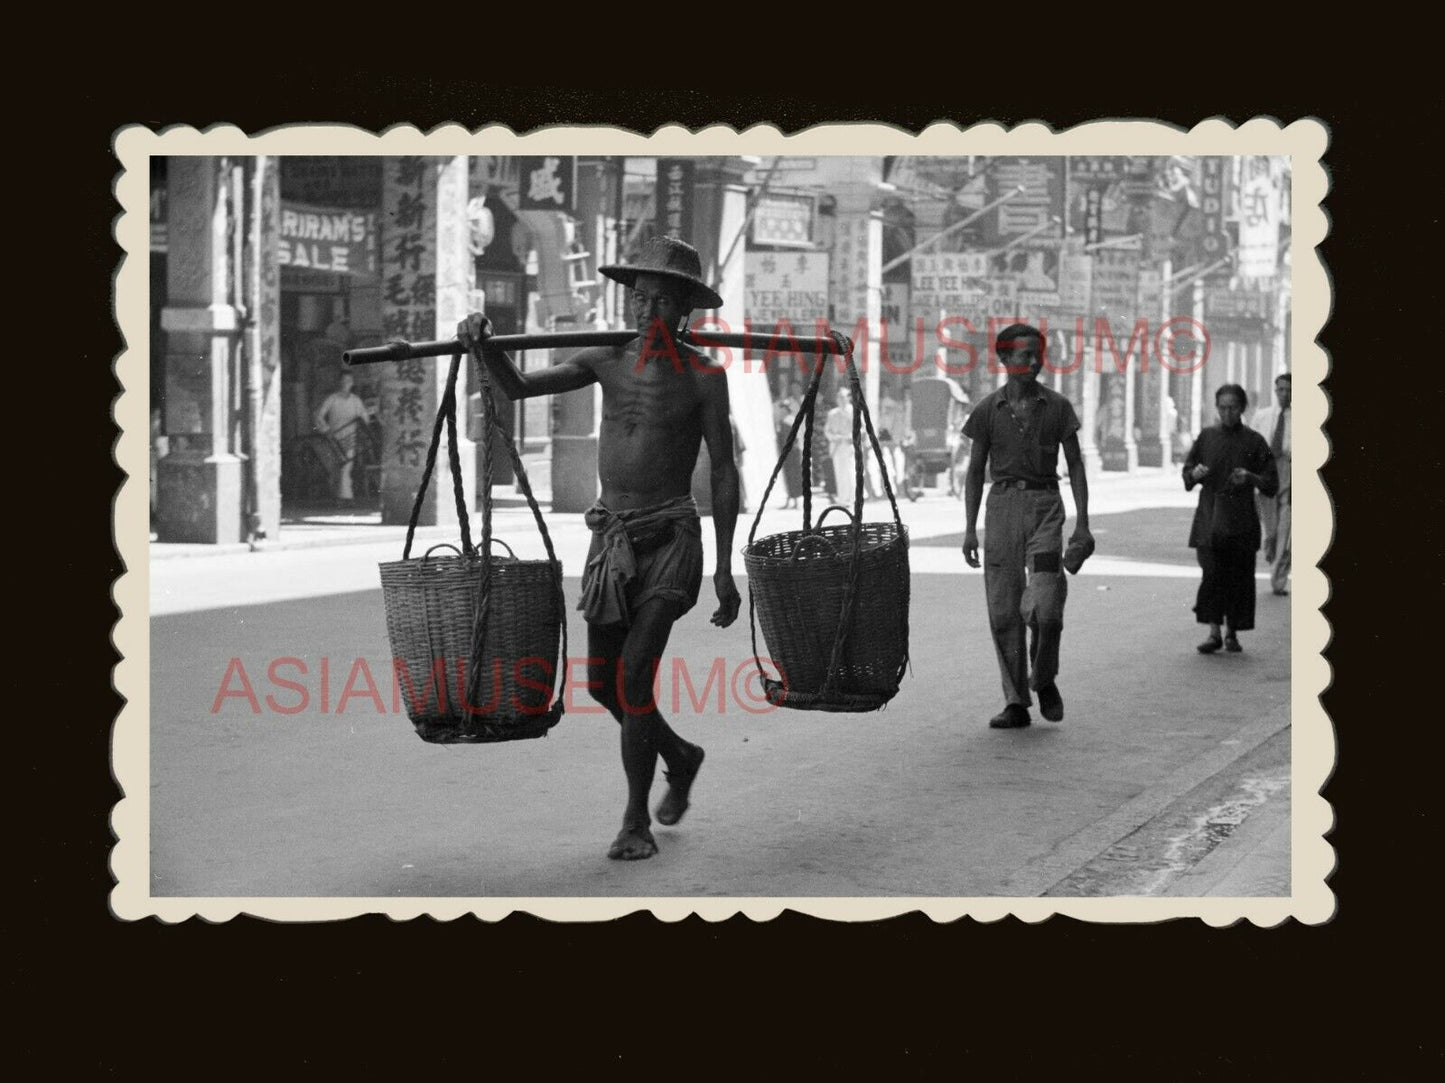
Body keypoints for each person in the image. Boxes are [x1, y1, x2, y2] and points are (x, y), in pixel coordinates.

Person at [456, 235, 752, 862]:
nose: (645, 313)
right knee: (602, 687)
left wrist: (726, 566)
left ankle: (634, 820)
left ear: (685, 313)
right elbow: (516, 388)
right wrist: (483, 342)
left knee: (636, 676)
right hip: (612, 539)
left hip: (672, 536)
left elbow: (723, 472)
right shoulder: (605, 360)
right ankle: (680, 754)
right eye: (638, 299)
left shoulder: (704, 378)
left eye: (660, 302)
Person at [962, 324, 1092, 729]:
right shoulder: (987, 410)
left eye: (1038, 355)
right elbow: (974, 471)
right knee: (1004, 611)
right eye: (1024, 356)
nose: (1033, 362)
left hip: (1045, 509)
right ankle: (1016, 702)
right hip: (1000, 509)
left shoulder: (1057, 407)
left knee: (1047, 606)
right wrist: (969, 529)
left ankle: (1044, 677)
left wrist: (1083, 524)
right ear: (1004, 360)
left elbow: (1074, 465)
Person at [1183, 384, 1279, 654]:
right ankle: (1214, 632)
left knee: (1238, 577)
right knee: (1212, 574)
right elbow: (1188, 472)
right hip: (1209, 517)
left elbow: (1271, 482)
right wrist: (1195, 474)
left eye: (1232, 408)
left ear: (1242, 408)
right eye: (1222, 408)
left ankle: (1232, 633)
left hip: (1241, 519)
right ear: (1216, 408)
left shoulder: (1254, 441)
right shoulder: (1206, 437)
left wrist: (1250, 477)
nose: (1227, 413)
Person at [1250, 373, 1292, 596]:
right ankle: (1270, 545)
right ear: (1275, 391)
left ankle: (1278, 580)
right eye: (1281, 390)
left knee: (1286, 527)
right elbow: (1250, 446)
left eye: (1289, 390)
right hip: (1265, 472)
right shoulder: (1262, 416)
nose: (1285, 394)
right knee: (1272, 529)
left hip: (1289, 471)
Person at [313, 370, 369, 503]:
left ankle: (345, 498)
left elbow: (364, 418)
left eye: (348, 381)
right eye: (343, 381)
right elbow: (318, 415)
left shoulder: (356, 401)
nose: (346, 384)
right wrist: (326, 430)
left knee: (346, 467)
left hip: (350, 438)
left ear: (352, 383)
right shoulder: (332, 399)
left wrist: (363, 424)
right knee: (337, 469)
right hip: (334, 438)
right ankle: (340, 497)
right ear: (339, 382)